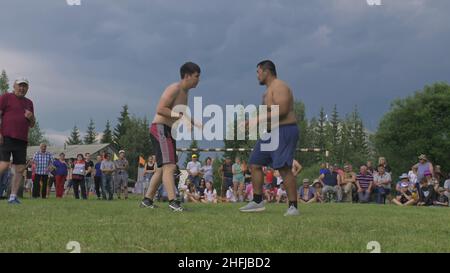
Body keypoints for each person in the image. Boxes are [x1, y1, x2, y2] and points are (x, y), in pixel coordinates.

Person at [239, 60, 300, 216]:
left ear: (266, 71)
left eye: (258, 72)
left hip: (285, 130)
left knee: (284, 168)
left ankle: (293, 206)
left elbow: (283, 110)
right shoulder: (266, 93)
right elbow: (268, 116)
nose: (257, 76)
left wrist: (256, 119)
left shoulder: (280, 86)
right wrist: (253, 123)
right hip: (270, 132)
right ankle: (258, 201)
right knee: (254, 163)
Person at [140, 62, 201, 212]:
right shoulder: (174, 88)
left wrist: (192, 122)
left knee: (162, 169)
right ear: (187, 76)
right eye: (196, 76)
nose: (198, 80)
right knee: (169, 166)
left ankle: (147, 201)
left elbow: (181, 112)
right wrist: (178, 115)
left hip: (168, 130)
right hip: (160, 128)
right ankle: (174, 202)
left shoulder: (186, 93)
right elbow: (160, 109)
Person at [0, 77, 36, 204]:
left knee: (20, 169)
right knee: (4, 165)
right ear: (14, 86)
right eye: (19, 86)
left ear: (27, 88)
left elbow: (32, 124)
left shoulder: (29, 103)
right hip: (6, 136)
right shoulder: (6, 97)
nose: (22, 88)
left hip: (21, 139)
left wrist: (31, 117)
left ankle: (13, 196)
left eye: (24, 86)